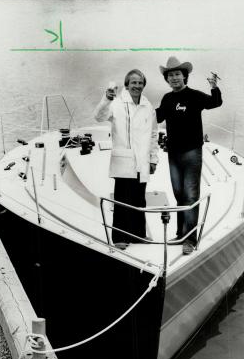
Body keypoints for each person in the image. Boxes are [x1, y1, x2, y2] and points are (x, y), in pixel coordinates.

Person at [156, 56, 222, 255]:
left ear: (185, 77)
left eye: (178, 74)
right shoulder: (167, 99)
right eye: (171, 75)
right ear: (167, 79)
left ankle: (190, 240)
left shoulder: (194, 96)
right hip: (173, 153)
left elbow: (215, 102)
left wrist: (214, 86)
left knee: (190, 195)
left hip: (192, 152)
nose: (174, 78)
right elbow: (156, 117)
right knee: (178, 194)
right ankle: (180, 234)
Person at [94, 69, 158, 250]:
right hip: (124, 161)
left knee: (139, 199)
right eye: (133, 83)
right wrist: (106, 98)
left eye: (140, 83)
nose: (137, 86)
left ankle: (138, 235)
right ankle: (120, 237)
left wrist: (153, 159)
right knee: (123, 199)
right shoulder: (116, 103)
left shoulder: (147, 106)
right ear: (127, 84)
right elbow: (98, 117)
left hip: (142, 161)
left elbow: (153, 134)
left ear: (143, 85)